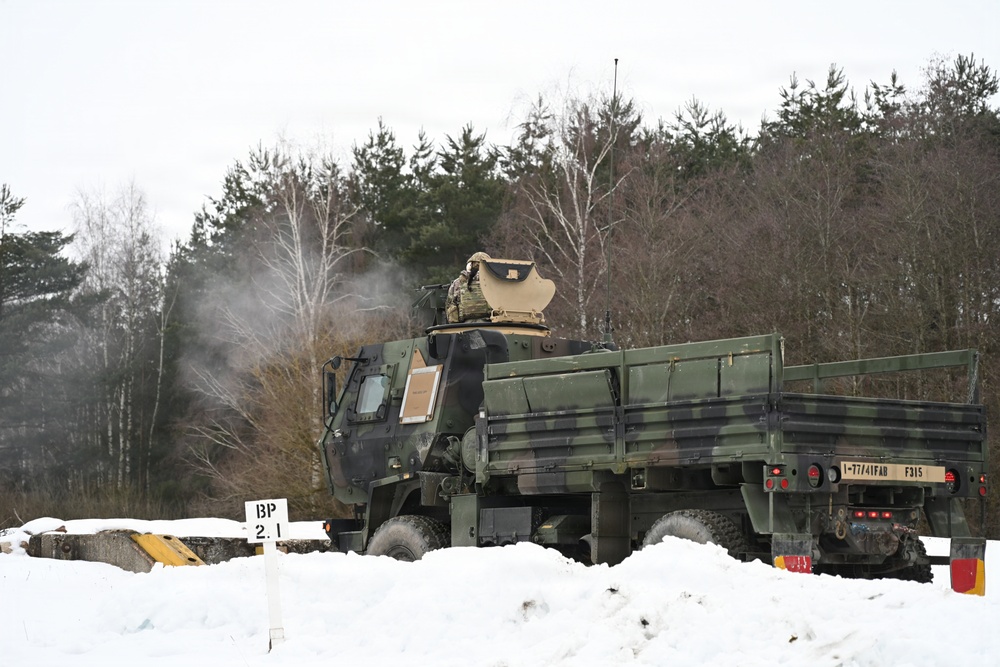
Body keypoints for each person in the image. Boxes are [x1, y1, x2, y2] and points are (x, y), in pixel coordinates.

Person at [446, 252, 492, 323]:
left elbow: (450, 305)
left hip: (464, 325)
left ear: (469, 265)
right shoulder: (494, 282)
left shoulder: (458, 283)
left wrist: (455, 325)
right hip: (491, 325)